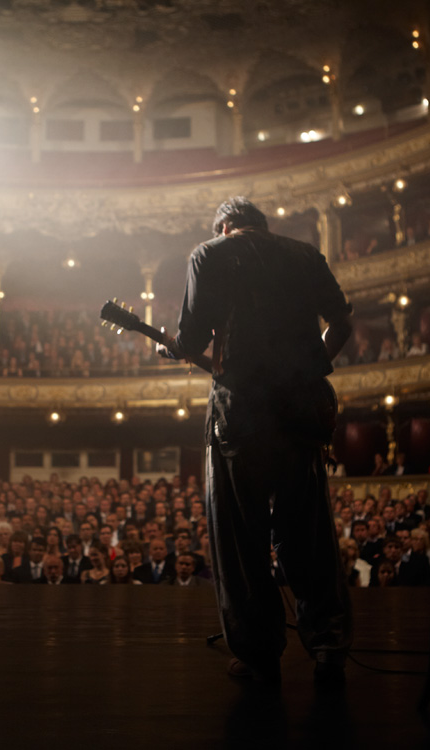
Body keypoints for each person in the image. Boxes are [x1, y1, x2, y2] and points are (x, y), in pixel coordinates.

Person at [156, 197, 352, 686]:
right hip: (304, 411)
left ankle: (259, 650)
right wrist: (313, 366)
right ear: (261, 225)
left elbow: (193, 338)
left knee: (240, 536)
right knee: (307, 530)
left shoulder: (210, 254)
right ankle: (327, 641)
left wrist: (171, 348)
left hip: (240, 414)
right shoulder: (306, 254)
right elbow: (342, 322)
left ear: (224, 227)